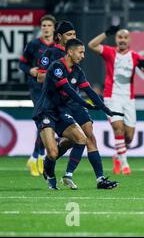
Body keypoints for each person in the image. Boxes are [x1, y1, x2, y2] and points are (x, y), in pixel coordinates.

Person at [33, 38, 121, 190]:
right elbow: (69, 90)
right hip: (45, 111)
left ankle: (68, 175)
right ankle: (50, 174)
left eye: (84, 53)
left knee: (81, 138)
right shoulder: (57, 67)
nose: (83, 56)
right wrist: (85, 104)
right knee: (53, 154)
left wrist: (106, 109)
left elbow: (90, 92)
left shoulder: (77, 71)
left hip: (61, 111)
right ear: (70, 52)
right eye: (80, 52)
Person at [88, 26, 144, 175]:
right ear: (116, 39)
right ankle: (125, 164)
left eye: (125, 38)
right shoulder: (110, 52)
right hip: (112, 96)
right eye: (119, 37)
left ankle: (118, 154)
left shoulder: (135, 56)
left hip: (128, 99)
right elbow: (91, 45)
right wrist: (105, 33)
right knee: (118, 127)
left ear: (130, 40)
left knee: (129, 136)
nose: (122, 40)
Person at [19, 14, 56, 176]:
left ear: (54, 28)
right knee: (43, 121)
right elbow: (22, 63)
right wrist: (30, 70)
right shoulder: (34, 44)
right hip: (36, 87)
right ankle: (39, 156)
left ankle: (35, 157)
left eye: (49, 25)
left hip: (52, 88)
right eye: (44, 26)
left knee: (47, 123)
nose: (46, 28)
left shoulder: (58, 46)